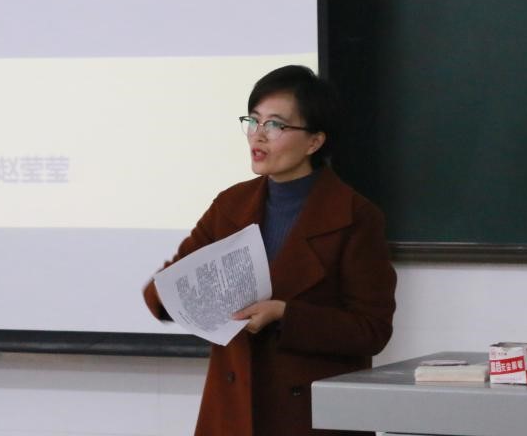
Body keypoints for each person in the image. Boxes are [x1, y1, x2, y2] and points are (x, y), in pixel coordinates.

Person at [143, 65, 397, 436]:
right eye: (253, 121)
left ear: (314, 142)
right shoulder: (230, 205)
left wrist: (285, 314)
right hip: (232, 415)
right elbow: (162, 291)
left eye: (275, 125)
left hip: (310, 417)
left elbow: (371, 329)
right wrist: (191, 298)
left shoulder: (354, 216)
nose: (258, 135)